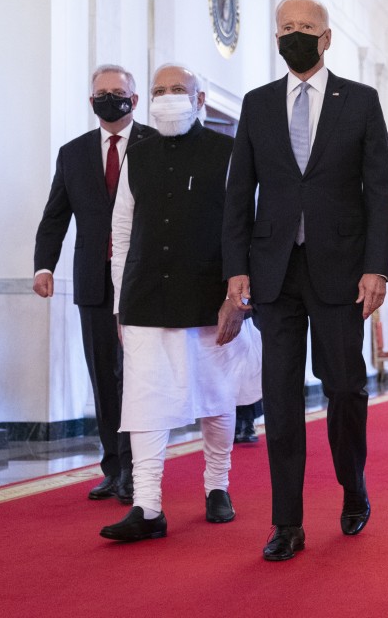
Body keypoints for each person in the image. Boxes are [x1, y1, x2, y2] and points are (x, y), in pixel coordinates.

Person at [223, 0, 388, 561]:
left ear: (326, 38)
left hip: (343, 270)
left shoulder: (361, 102)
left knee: (345, 386)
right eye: (285, 28)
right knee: (279, 396)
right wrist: (236, 269)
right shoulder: (256, 104)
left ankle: (352, 484)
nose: (294, 35)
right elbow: (238, 195)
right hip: (275, 272)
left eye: (305, 28)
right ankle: (286, 523)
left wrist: (377, 267)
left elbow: (380, 194)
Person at [100, 64, 262, 542]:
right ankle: (148, 506)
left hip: (211, 296)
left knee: (217, 394)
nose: (168, 97)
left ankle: (218, 487)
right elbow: (123, 231)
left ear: (200, 100)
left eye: (178, 90)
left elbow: (244, 227)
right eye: (159, 91)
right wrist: (118, 305)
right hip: (145, 296)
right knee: (145, 401)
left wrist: (240, 294)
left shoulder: (227, 152)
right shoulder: (138, 154)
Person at [33, 64, 156, 504]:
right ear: (91, 101)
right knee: (104, 377)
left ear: (135, 100)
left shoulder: (156, 145)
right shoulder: (73, 153)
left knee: (136, 378)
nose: (110, 98)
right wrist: (43, 266)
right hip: (93, 282)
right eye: (101, 93)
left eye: (118, 92)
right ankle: (113, 466)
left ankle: (137, 468)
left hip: (143, 282)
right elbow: (55, 216)